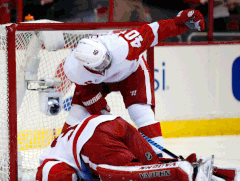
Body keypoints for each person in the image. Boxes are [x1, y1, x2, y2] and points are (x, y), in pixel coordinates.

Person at [61, 9, 205, 156]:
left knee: (140, 112)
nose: (107, 63)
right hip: (96, 83)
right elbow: (85, 88)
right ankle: (61, 154)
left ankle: (157, 156)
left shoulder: (123, 46)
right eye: (101, 64)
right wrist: (95, 104)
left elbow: (155, 30)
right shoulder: (73, 69)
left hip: (131, 72)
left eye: (106, 58)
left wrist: (178, 23)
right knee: (77, 114)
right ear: (87, 66)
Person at [36, 115, 238, 181]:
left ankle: (182, 172)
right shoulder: (57, 147)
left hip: (95, 141)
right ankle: (223, 175)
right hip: (115, 123)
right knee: (152, 163)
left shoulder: (48, 165)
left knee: (131, 173)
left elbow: (57, 177)